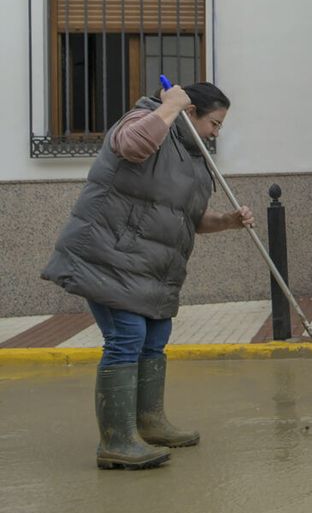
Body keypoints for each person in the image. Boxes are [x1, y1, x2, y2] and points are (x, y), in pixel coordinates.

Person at [42, 82, 254, 470]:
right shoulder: (143, 119)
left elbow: (186, 217)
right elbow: (131, 146)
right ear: (190, 112)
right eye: (214, 123)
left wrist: (226, 221)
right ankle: (116, 441)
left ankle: (149, 423)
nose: (216, 133)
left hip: (150, 269)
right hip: (107, 256)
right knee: (127, 338)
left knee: (155, 338)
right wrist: (168, 106)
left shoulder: (194, 158)